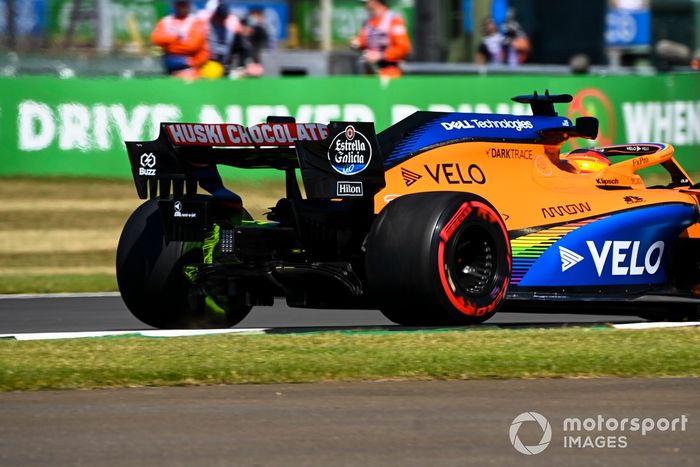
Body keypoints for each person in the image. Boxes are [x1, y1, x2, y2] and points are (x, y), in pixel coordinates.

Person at [350, 0, 412, 78]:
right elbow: (363, 42)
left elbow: (403, 47)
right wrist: (356, 43)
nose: (364, 5)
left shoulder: (394, 20)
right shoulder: (367, 21)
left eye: (366, 2)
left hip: (391, 73)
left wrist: (381, 55)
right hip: (371, 73)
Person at [151, 0, 209, 79]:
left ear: (188, 5)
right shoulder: (166, 21)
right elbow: (156, 39)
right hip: (170, 67)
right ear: (174, 5)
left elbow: (192, 45)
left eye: (184, 4)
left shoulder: (196, 22)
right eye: (179, 4)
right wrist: (176, 38)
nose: (182, 7)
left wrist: (169, 45)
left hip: (192, 68)